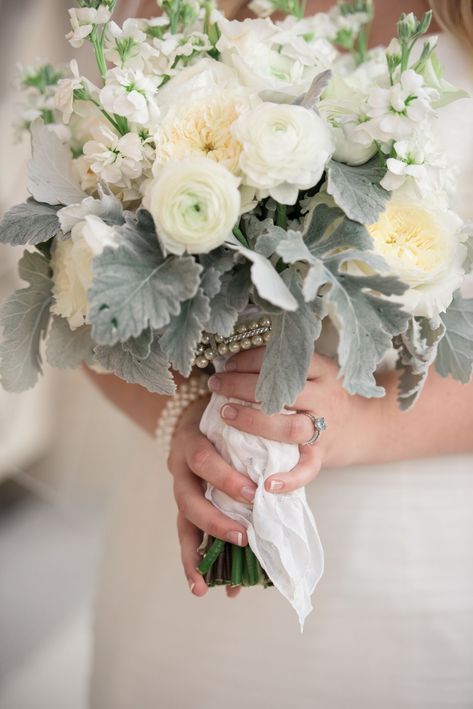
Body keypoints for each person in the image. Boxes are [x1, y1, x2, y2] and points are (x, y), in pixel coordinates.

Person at [87, 1, 473, 706]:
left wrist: (361, 420)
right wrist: (179, 418)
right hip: (188, 576)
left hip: (419, 572)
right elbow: (79, 277)